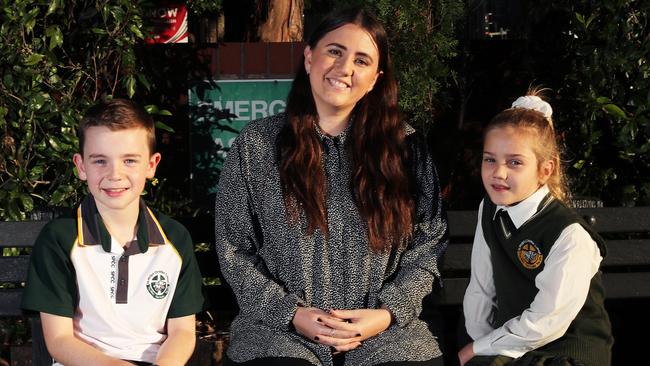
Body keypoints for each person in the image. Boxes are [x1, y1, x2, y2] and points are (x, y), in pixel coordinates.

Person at [214, 6, 448, 366]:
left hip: (386, 335)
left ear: (374, 78)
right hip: (278, 334)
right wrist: (290, 313)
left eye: (362, 60)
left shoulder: (406, 149)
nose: (344, 69)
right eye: (334, 52)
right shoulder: (257, 145)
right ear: (309, 57)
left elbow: (429, 244)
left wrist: (387, 313)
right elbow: (233, 247)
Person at [21, 98, 205, 366]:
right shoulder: (59, 239)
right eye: (100, 161)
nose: (115, 174)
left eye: (129, 160)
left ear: (151, 165)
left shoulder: (174, 238)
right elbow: (59, 341)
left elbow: (183, 333)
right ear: (81, 166)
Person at [459, 90, 614, 366]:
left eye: (515, 162)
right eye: (490, 159)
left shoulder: (570, 235)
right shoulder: (490, 208)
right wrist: (479, 348)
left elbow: (547, 321)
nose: (499, 173)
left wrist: (480, 348)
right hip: (515, 345)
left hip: (567, 353)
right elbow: (481, 288)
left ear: (545, 170)